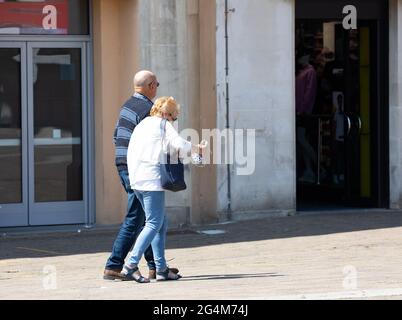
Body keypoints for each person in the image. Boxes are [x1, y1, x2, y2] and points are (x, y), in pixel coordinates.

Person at [103, 70, 179, 281]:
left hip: (123, 164)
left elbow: (116, 135)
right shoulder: (148, 110)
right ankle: (116, 265)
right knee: (138, 218)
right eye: (157, 84)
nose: (157, 88)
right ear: (152, 86)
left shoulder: (127, 106)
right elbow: (156, 142)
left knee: (147, 218)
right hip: (138, 170)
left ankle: (155, 266)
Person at [121, 96, 206, 282]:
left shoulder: (141, 126)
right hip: (151, 180)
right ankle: (130, 264)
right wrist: (196, 148)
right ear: (167, 114)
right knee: (153, 223)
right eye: (174, 117)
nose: (174, 121)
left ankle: (161, 269)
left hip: (136, 179)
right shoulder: (163, 125)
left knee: (160, 223)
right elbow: (179, 144)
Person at [296, 50, 318, 184]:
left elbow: (309, 93)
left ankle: (318, 167)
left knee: (302, 140)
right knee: (301, 141)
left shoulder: (310, 72)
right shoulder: (301, 71)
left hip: (303, 112)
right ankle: (309, 170)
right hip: (298, 111)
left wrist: (303, 109)